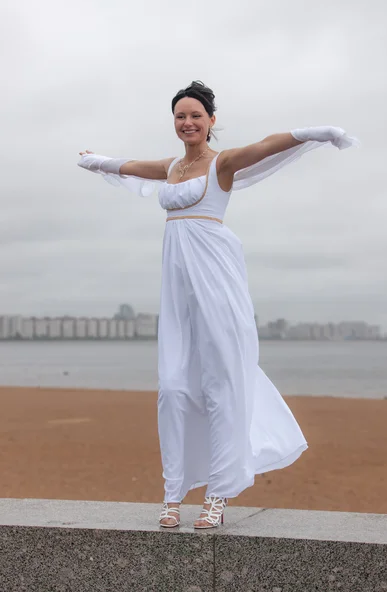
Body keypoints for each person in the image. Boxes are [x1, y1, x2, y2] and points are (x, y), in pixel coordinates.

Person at [78, 80, 358, 529]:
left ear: (210, 121)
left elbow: (266, 146)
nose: (186, 122)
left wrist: (316, 132)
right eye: (179, 116)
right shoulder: (170, 168)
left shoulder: (221, 163)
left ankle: (218, 494)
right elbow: (127, 165)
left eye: (195, 115)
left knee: (222, 384)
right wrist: (95, 162)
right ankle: (173, 492)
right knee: (172, 387)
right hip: (178, 290)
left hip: (218, 281)